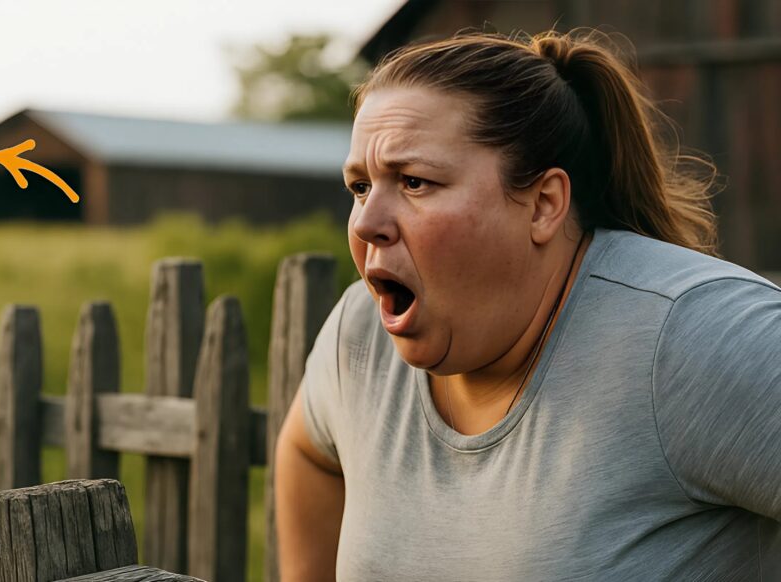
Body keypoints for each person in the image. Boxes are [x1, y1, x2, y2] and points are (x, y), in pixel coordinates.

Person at [274, 29, 781, 581]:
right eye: (360, 187)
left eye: (415, 182)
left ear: (543, 205)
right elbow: (309, 451)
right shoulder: (360, 335)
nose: (367, 223)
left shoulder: (693, 337)